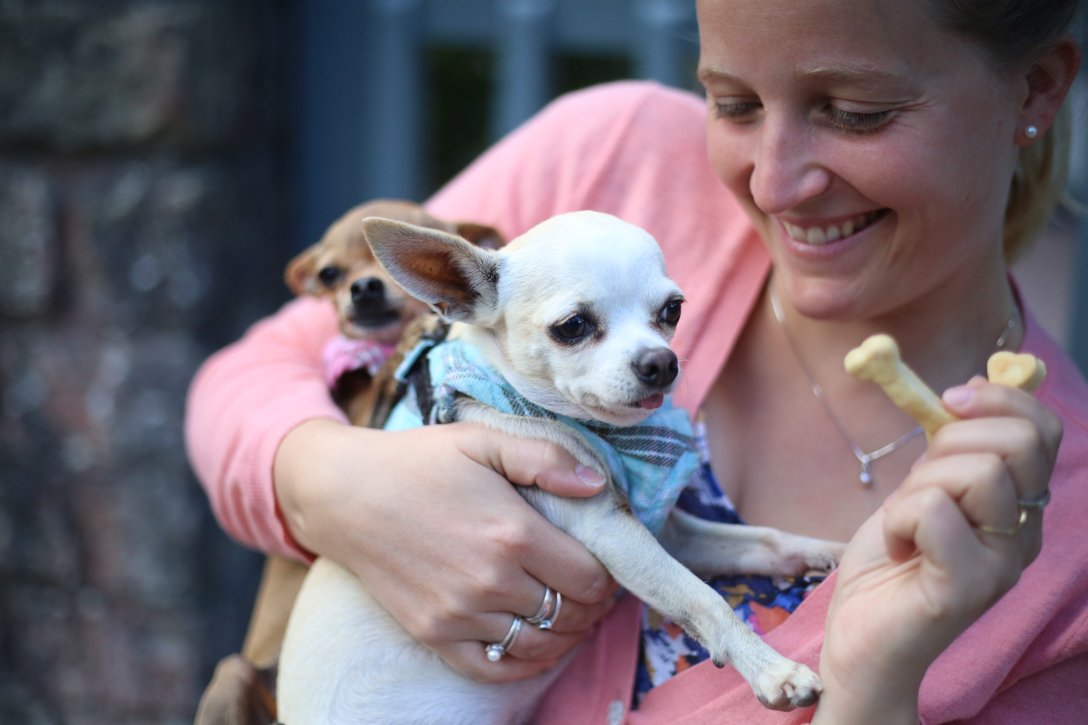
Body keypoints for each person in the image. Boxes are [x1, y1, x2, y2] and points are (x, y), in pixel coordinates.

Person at [185, 0, 1088, 721]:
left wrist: (871, 690)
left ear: (1037, 90)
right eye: (731, 103)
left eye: (857, 113)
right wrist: (334, 484)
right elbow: (247, 376)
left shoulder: (1065, 561)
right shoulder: (605, 170)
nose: (774, 184)